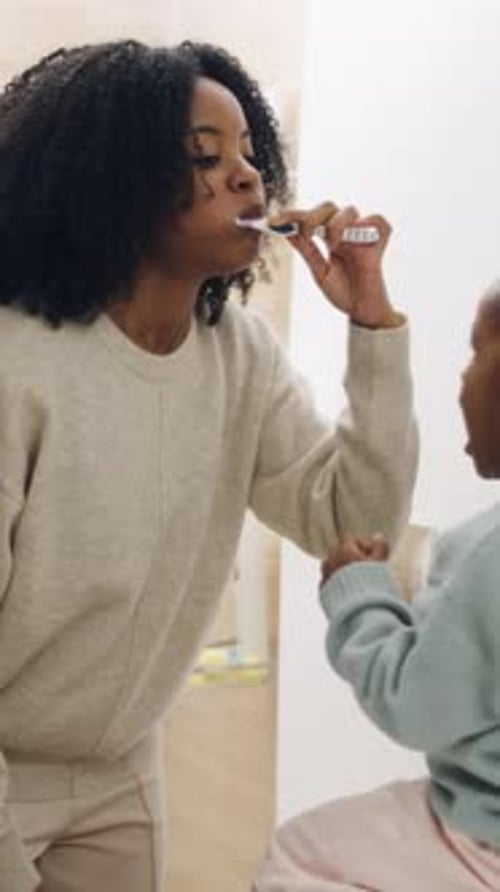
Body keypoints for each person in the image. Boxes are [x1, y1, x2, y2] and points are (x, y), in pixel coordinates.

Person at [0, 39, 416, 892]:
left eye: (249, 156)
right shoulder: (18, 364)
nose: (245, 178)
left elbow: (353, 524)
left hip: (120, 769)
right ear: (110, 180)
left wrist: (372, 324)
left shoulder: (241, 358)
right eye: (204, 156)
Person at [254, 283, 500, 891]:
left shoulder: (486, 549)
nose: (462, 379)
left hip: (483, 834)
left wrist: (359, 594)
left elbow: (416, 707)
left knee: (298, 858)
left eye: (474, 354)